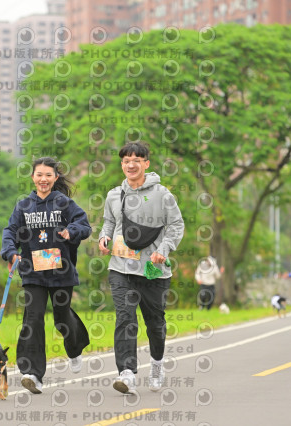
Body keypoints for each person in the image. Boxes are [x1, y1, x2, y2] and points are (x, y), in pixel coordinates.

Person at [98, 142, 184, 394]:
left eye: (137, 160)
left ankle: (156, 364)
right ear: (122, 164)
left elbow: (176, 225)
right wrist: (103, 237)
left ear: (146, 163)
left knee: (155, 323)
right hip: (120, 267)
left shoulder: (162, 195)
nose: (131, 164)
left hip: (152, 269)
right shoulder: (114, 195)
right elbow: (108, 222)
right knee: (125, 318)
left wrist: (164, 250)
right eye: (126, 160)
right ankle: (127, 374)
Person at [1, 157, 91, 394]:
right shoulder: (23, 206)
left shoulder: (65, 203)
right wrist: (10, 252)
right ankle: (32, 373)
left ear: (55, 178)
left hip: (61, 272)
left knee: (62, 318)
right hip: (33, 272)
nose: (43, 179)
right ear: (33, 177)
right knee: (33, 319)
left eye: (48, 175)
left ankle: (75, 347)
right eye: (39, 175)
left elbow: (84, 225)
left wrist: (71, 231)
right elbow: (10, 232)